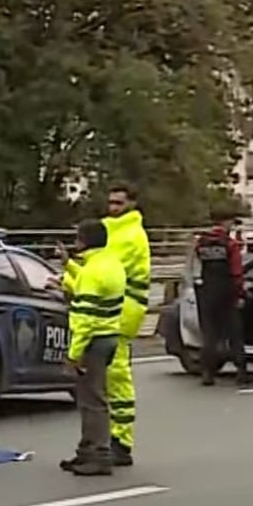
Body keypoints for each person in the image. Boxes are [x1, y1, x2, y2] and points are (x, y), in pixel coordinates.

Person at [60, 183, 149, 467]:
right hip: (117, 310)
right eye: (110, 202)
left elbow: (99, 278)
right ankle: (108, 441)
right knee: (106, 382)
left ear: (132, 204)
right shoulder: (115, 230)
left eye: (119, 203)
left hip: (119, 313)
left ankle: (119, 442)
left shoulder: (129, 235)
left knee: (114, 380)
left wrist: (72, 273)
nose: (113, 208)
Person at [60, 219, 125, 477]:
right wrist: (69, 266)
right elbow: (91, 286)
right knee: (92, 397)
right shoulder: (110, 265)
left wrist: (73, 355)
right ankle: (86, 451)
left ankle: (99, 454)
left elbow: (85, 318)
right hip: (109, 334)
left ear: (84, 241)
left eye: (77, 238)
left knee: (92, 400)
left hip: (92, 340)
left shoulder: (92, 271)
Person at [194, 208, 252, 387]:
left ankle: (207, 373)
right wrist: (240, 293)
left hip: (206, 292)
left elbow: (196, 267)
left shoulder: (201, 243)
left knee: (209, 334)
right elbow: (236, 272)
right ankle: (241, 371)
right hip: (226, 292)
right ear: (225, 222)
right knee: (234, 332)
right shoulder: (230, 244)